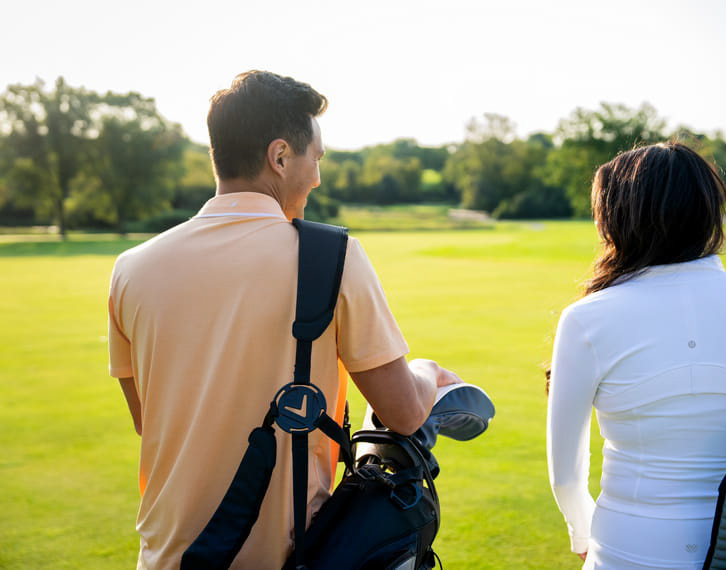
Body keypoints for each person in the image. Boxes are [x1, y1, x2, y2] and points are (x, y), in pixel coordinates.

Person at [107, 70, 462, 569]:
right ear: (279, 157)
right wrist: (429, 373)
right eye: (315, 158)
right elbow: (403, 413)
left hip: (166, 558)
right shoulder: (333, 255)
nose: (317, 176)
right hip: (289, 559)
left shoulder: (130, 269)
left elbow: (151, 421)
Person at [546, 142, 726, 569]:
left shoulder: (586, 318)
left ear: (617, 220)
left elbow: (565, 475)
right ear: (708, 211)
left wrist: (581, 532)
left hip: (625, 552)